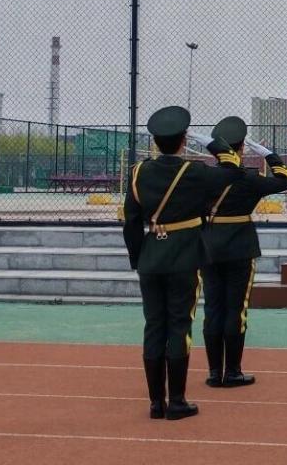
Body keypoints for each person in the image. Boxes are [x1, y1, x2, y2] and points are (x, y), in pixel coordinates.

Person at [122, 106, 245, 421]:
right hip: (185, 256)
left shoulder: (138, 173)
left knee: (154, 326)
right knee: (179, 326)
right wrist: (212, 142)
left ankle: (156, 404)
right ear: (184, 140)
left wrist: (139, 258)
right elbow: (233, 167)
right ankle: (176, 401)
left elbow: (131, 223)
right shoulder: (195, 172)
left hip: (151, 257)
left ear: (155, 141)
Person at [194, 117, 287, 389]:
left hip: (209, 247)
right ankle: (233, 372)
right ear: (241, 148)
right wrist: (268, 154)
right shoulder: (250, 178)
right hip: (240, 247)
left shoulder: (202, 176)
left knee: (213, 308)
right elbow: (286, 180)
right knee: (235, 310)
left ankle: (214, 372)